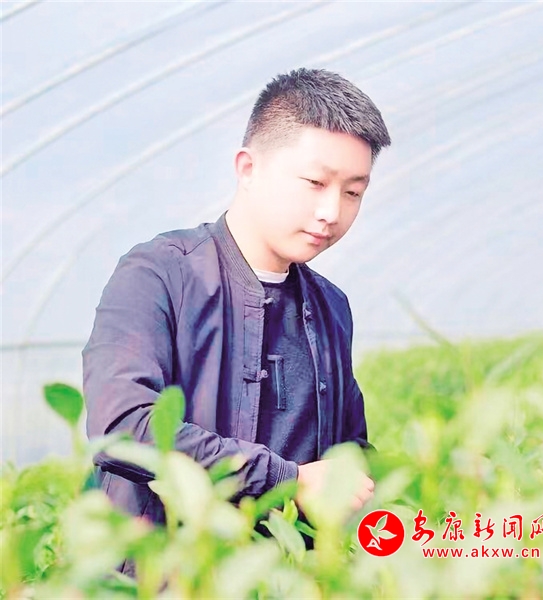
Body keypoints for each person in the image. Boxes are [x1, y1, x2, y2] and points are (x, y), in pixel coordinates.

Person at [82, 67, 391, 572]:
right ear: (248, 169)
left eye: (353, 192)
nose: (331, 211)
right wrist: (286, 480)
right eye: (315, 183)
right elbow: (124, 427)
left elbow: (347, 449)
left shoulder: (330, 306)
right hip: (173, 577)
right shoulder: (160, 275)